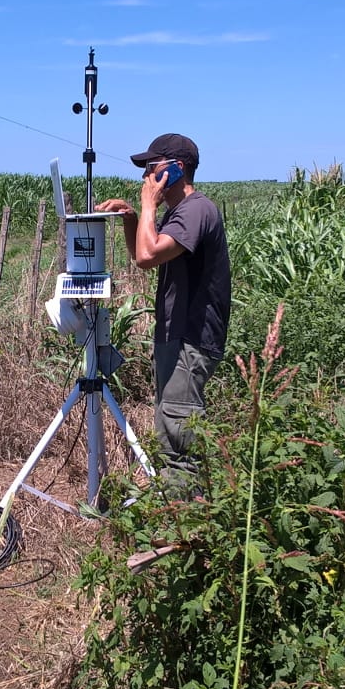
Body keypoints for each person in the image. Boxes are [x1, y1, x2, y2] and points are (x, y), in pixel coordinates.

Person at [95, 133, 231, 496]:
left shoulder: (197, 210)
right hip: (177, 336)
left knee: (177, 438)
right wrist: (132, 219)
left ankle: (180, 531)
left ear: (177, 169)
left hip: (191, 338)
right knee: (171, 425)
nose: (146, 177)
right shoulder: (180, 212)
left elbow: (146, 255)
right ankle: (184, 518)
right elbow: (146, 257)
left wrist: (148, 205)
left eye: (151, 168)